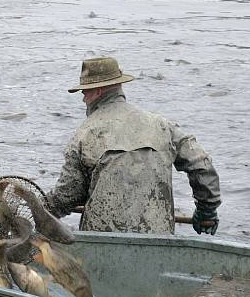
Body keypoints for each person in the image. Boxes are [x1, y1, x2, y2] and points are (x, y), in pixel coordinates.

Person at [44, 56, 221, 235]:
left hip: (102, 241)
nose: (84, 99)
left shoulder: (84, 134)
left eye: (85, 93)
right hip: (158, 238)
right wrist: (207, 210)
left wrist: (41, 210)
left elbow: (68, 195)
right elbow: (202, 165)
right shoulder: (162, 125)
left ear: (97, 91)